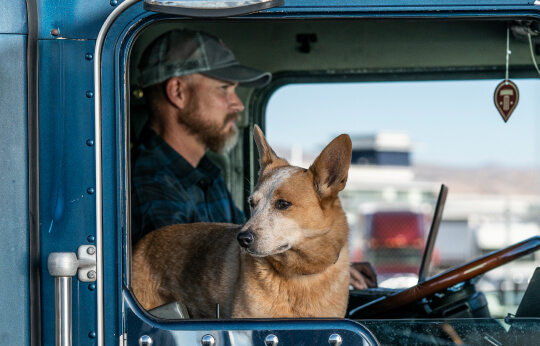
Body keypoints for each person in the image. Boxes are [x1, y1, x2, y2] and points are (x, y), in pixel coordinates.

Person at [131, 29, 376, 289]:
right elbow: (178, 276)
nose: (238, 104)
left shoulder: (207, 174)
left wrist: (326, 266)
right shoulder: (147, 180)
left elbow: (251, 242)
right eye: (224, 89)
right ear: (178, 92)